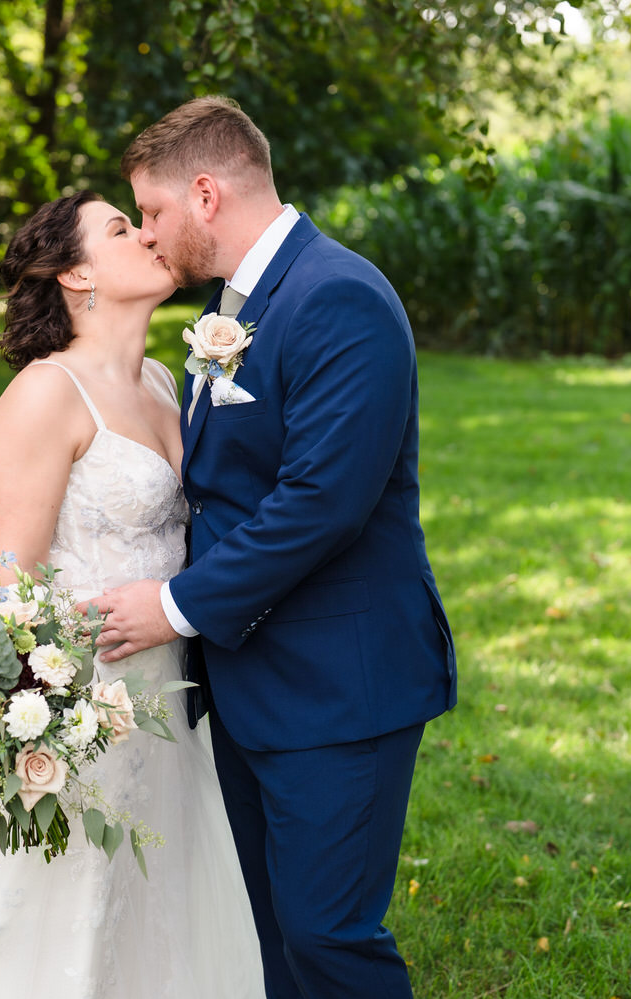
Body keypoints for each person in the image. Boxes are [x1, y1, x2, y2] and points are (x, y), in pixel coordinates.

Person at [0, 191, 266, 997]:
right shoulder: (45, 394)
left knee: (159, 898)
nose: (148, 235)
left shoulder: (168, 379)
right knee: (49, 910)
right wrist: (42, 720)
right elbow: (13, 589)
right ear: (76, 272)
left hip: (169, 695)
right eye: (121, 229)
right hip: (82, 707)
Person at [95, 96, 458, 999]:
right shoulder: (237, 302)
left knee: (328, 936)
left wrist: (174, 606)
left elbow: (322, 503)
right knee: (268, 933)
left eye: (152, 211)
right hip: (254, 677)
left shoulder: (338, 296)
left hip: (342, 680)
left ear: (207, 193)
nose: (148, 234)